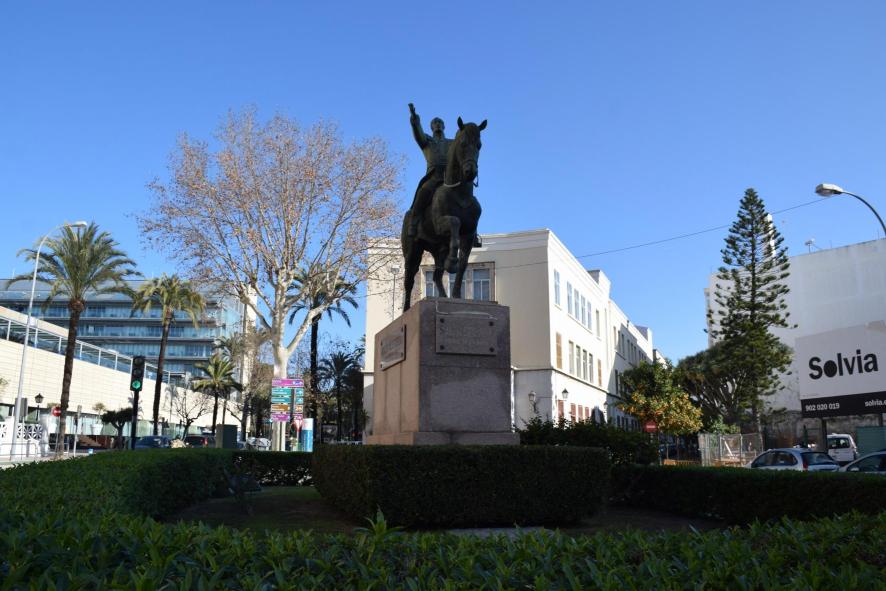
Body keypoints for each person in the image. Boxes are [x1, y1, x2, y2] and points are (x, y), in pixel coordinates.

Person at [407, 103, 452, 238]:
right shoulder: (427, 141)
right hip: (433, 176)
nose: (437, 125)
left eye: (440, 123)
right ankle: (413, 222)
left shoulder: (451, 143)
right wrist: (415, 119)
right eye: (435, 123)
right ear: (431, 127)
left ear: (444, 126)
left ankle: (472, 232)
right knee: (423, 193)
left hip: (450, 177)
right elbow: (418, 134)